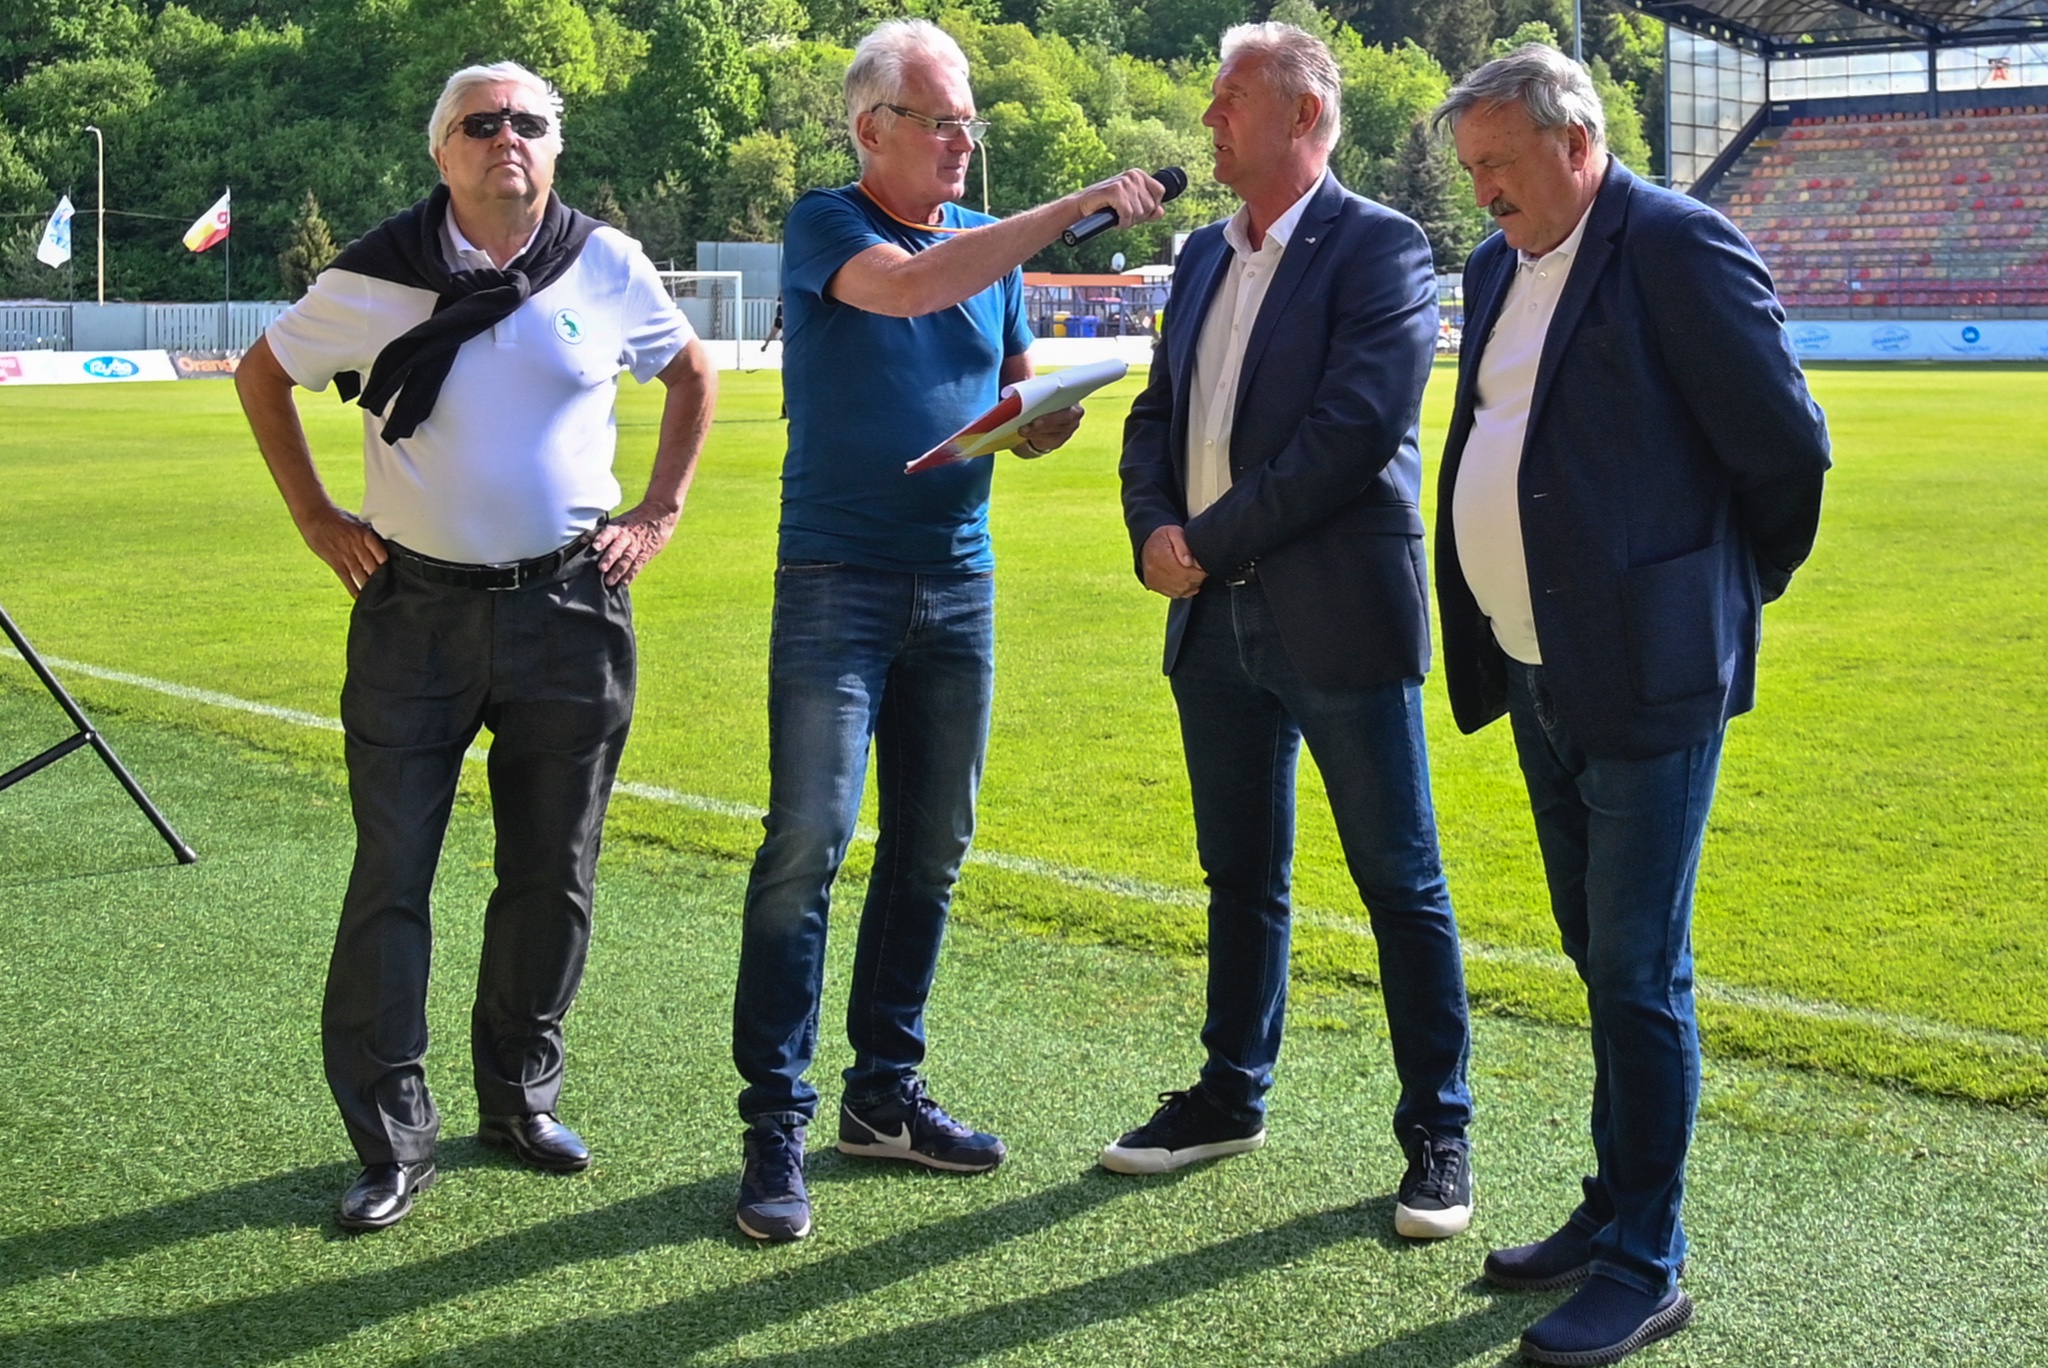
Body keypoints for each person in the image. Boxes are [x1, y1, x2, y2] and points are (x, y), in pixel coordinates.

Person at [235, 61, 716, 1232]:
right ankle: (391, 1139)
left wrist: (659, 511)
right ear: (441, 152)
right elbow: (263, 375)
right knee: (392, 875)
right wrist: (315, 517)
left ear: (554, 147)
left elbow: (691, 374)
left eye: (527, 123)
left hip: (569, 611)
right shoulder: (375, 274)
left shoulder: (606, 261)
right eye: (480, 123)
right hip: (414, 614)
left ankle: (518, 1097)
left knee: (552, 871)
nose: (507, 137)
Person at [730, 17, 1167, 1244]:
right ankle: (773, 1123)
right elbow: (909, 287)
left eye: (969, 123)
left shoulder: (991, 248)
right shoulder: (827, 224)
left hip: (957, 580)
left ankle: (881, 1097)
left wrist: (1039, 418)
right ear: (870, 129)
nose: (962, 142)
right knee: (808, 841)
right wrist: (1072, 206)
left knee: (930, 848)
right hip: (837, 578)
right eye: (940, 122)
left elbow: (1011, 386)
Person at [1431, 46, 1830, 1365]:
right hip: (1533, 666)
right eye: (1472, 169)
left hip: (1652, 679)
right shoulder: (1494, 265)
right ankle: (1612, 1206)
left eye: (1499, 163)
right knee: (1595, 953)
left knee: (1638, 972)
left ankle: (1647, 1261)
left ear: (1575, 139)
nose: (1483, 192)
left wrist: (1708, 599)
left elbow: (1784, 450)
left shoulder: (1673, 243)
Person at [1113, 21, 1476, 1242]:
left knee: (1397, 881)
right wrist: (1153, 531)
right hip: (1210, 618)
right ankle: (1229, 1094)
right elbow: (1154, 415)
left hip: (1332, 614)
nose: (1207, 118)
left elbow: (1351, 431)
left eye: (1229, 98)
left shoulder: (1382, 246)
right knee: (1239, 876)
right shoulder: (1199, 257)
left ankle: (1436, 1131)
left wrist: (1202, 540)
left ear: (1303, 116)